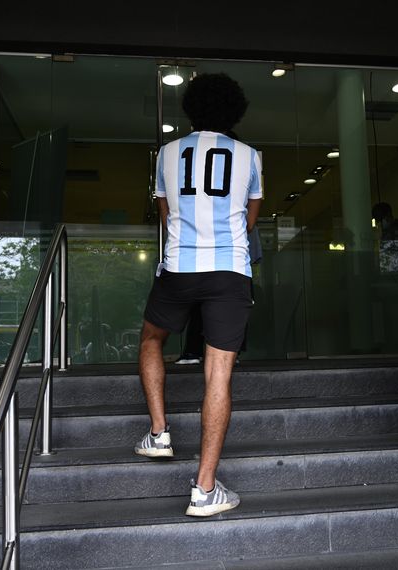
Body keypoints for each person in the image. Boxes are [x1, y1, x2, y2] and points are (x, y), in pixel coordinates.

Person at [134, 73, 263, 517]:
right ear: (236, 110)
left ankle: (159, 432)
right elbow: (248, 221)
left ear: (191, 108)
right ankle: (205, 489)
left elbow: (165, 212)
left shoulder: (166, 153)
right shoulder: (250, 156)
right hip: (229, 271)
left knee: (152, 339)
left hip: (179, 268)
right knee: (218, 374)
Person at [175, 225, 262, 365]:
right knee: (215, 310)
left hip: (226, 267)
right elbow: (254, 257)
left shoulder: (241, 219)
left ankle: (198, 351)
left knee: (224, 311)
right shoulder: (239, 217)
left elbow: (254, 256)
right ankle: (199, 351)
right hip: (227, 267)